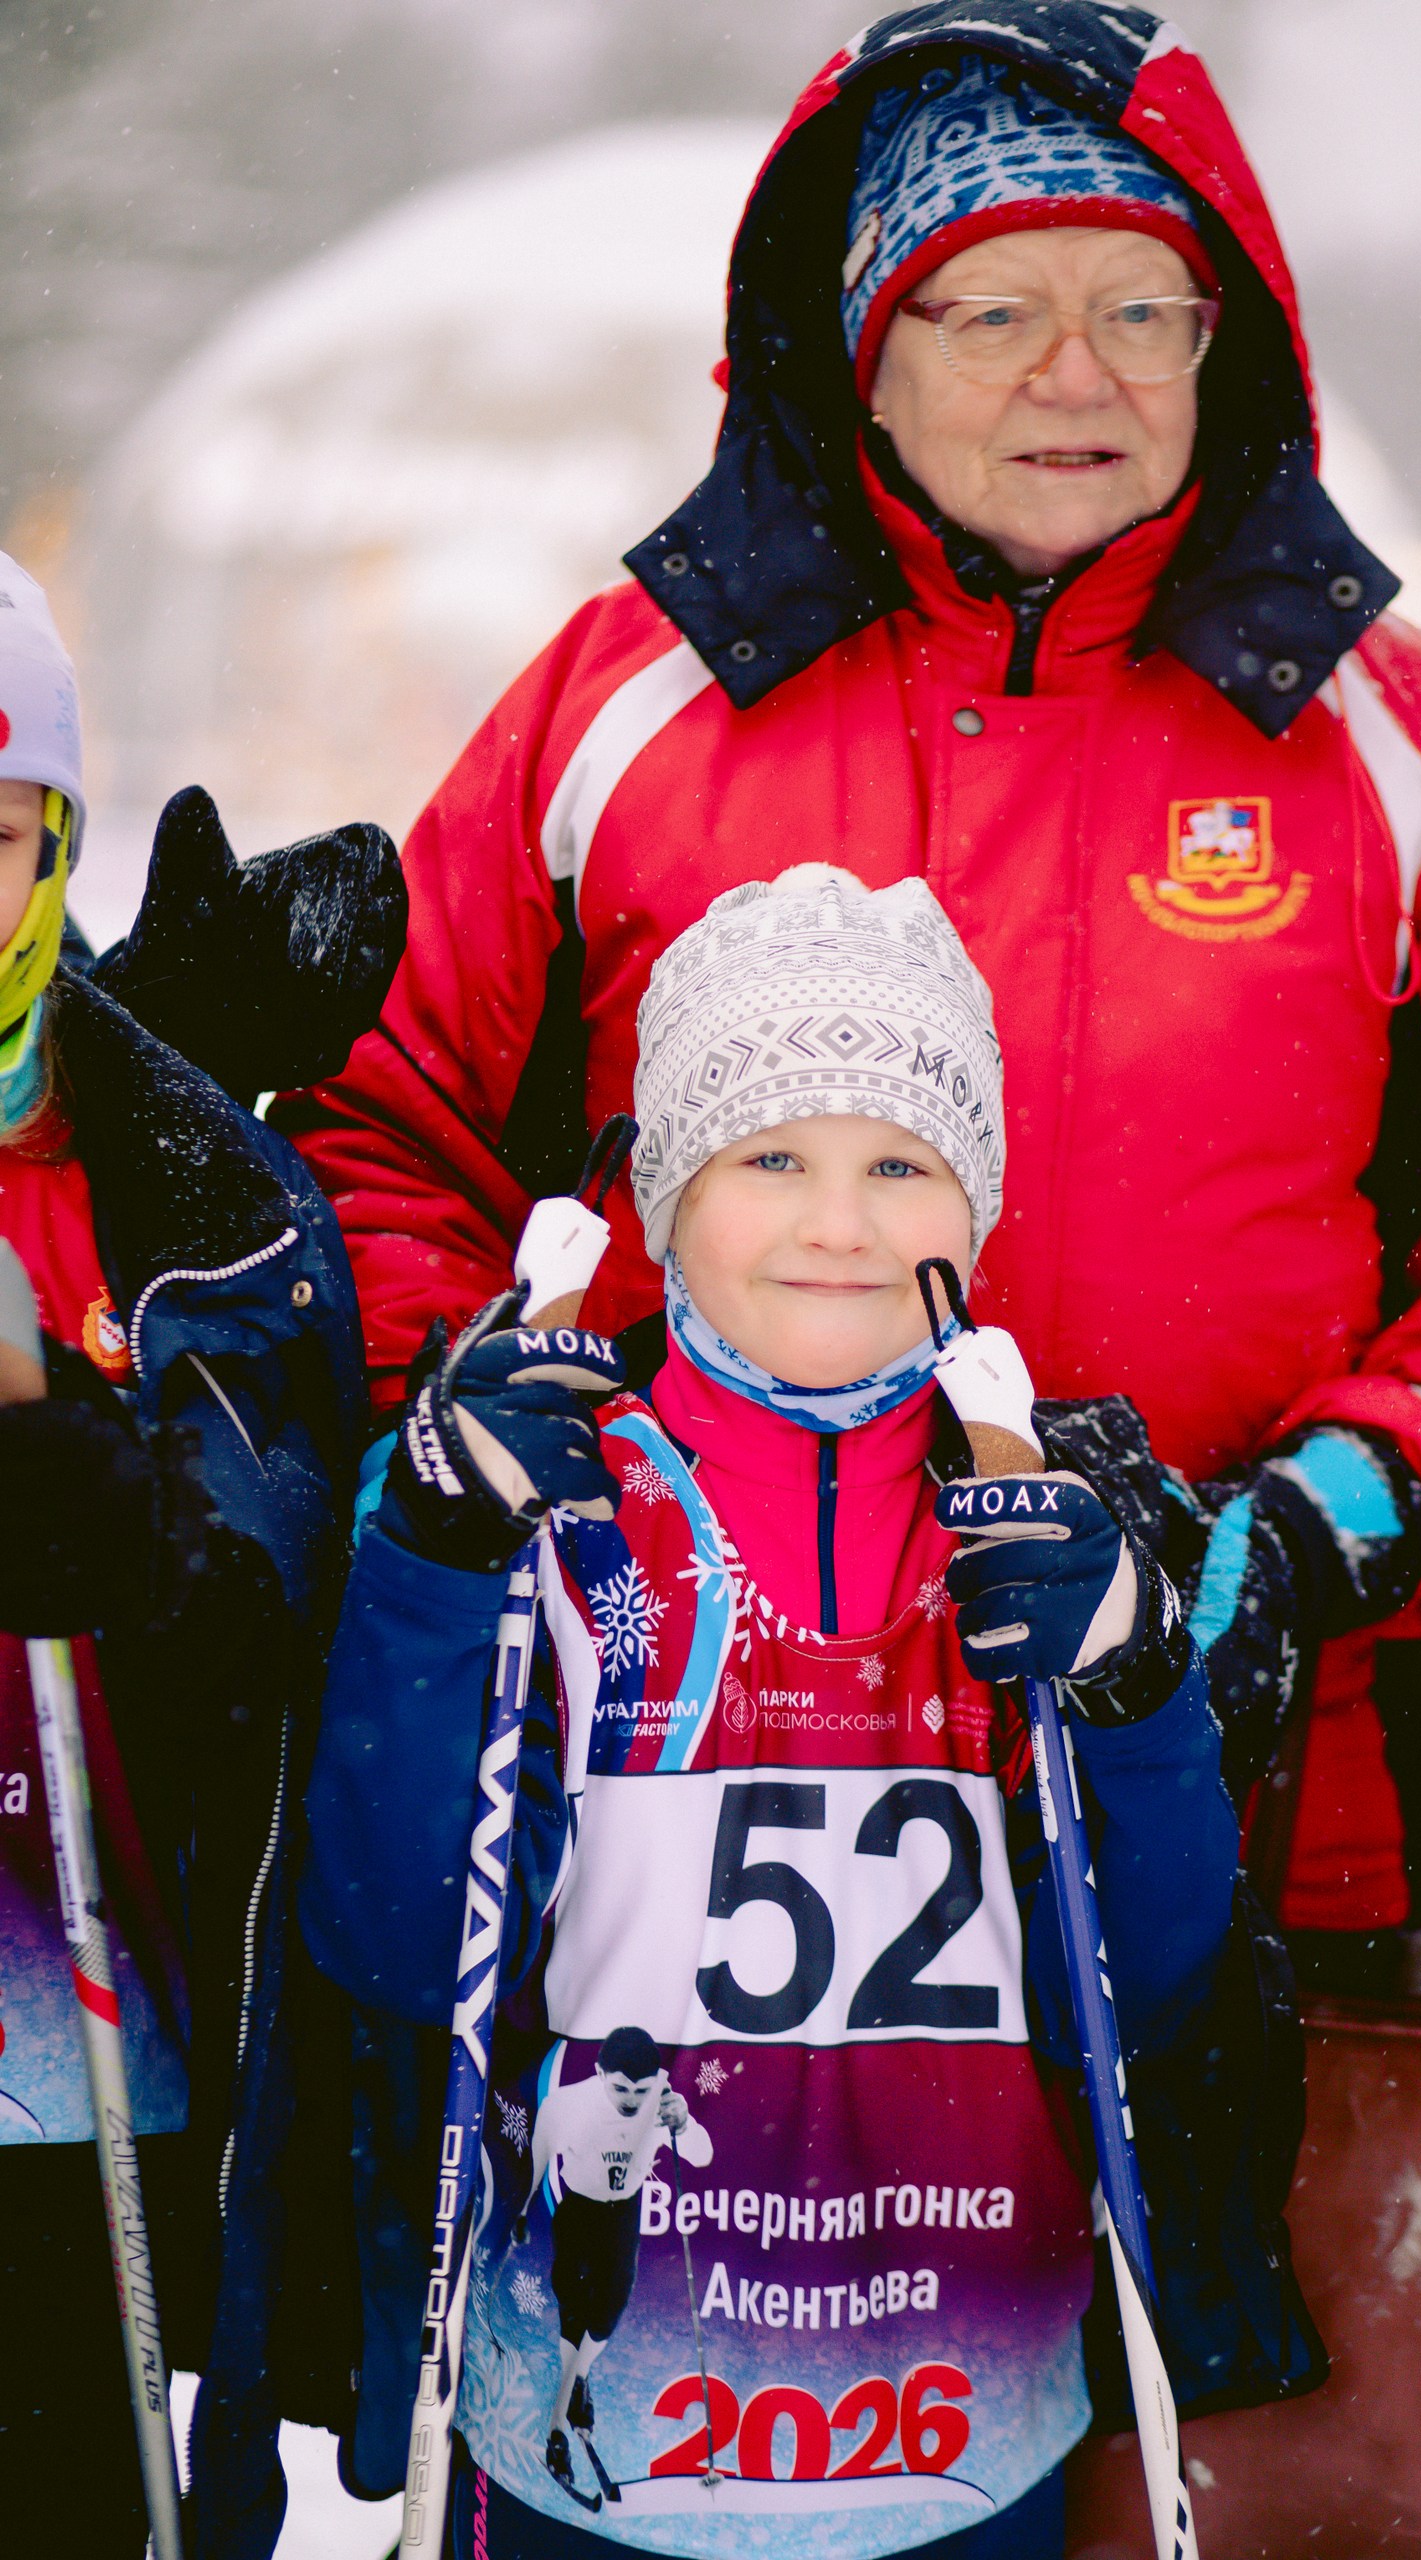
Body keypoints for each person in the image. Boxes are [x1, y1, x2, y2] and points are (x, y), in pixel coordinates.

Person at [278, 4, 1421, 2011]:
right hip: (677, 1771)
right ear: (864, 343)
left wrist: (1313, 1533)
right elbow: (383, 1122)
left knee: (1208, 2224)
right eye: (990, 310)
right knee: (710, 2231)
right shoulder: (630, 699)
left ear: (1227, 343)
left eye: (1140, 311)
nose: (1074, 375)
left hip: (1256, 1789)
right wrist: (479, 1426)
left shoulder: (1395, 738)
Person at [301, 865, 1314, 2559]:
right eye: (768, 1157)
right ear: (663, 1198)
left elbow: (1144, 1989)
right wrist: (431, 1554)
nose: (838, 1226)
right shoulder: (558, 1500)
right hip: (595, 2450)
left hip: (963, 2438)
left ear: (973, 1208)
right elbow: (400, 1948)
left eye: (899, 1165)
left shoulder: (1045, 1526)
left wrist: (1129, 1676)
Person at [0, 552, 384, 2556]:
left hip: (73, 2043)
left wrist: (115, 1517)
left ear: (53, 846)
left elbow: (273, 1617)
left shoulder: (173, 1182)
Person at [520, 2027, 713, 2485]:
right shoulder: (568, 2105)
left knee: (609, 2309)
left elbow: (703, 2155)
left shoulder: (661, 2100)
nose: (631, 2100)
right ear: (600, 2074)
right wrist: (522, 2210)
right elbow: (538, 2156)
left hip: (623, 2214)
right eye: (620, 2089)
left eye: (640, 2091)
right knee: (574, 2309)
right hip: (580, 2209)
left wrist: (684, 2123)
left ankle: (579, 2379)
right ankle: (557, 2427)